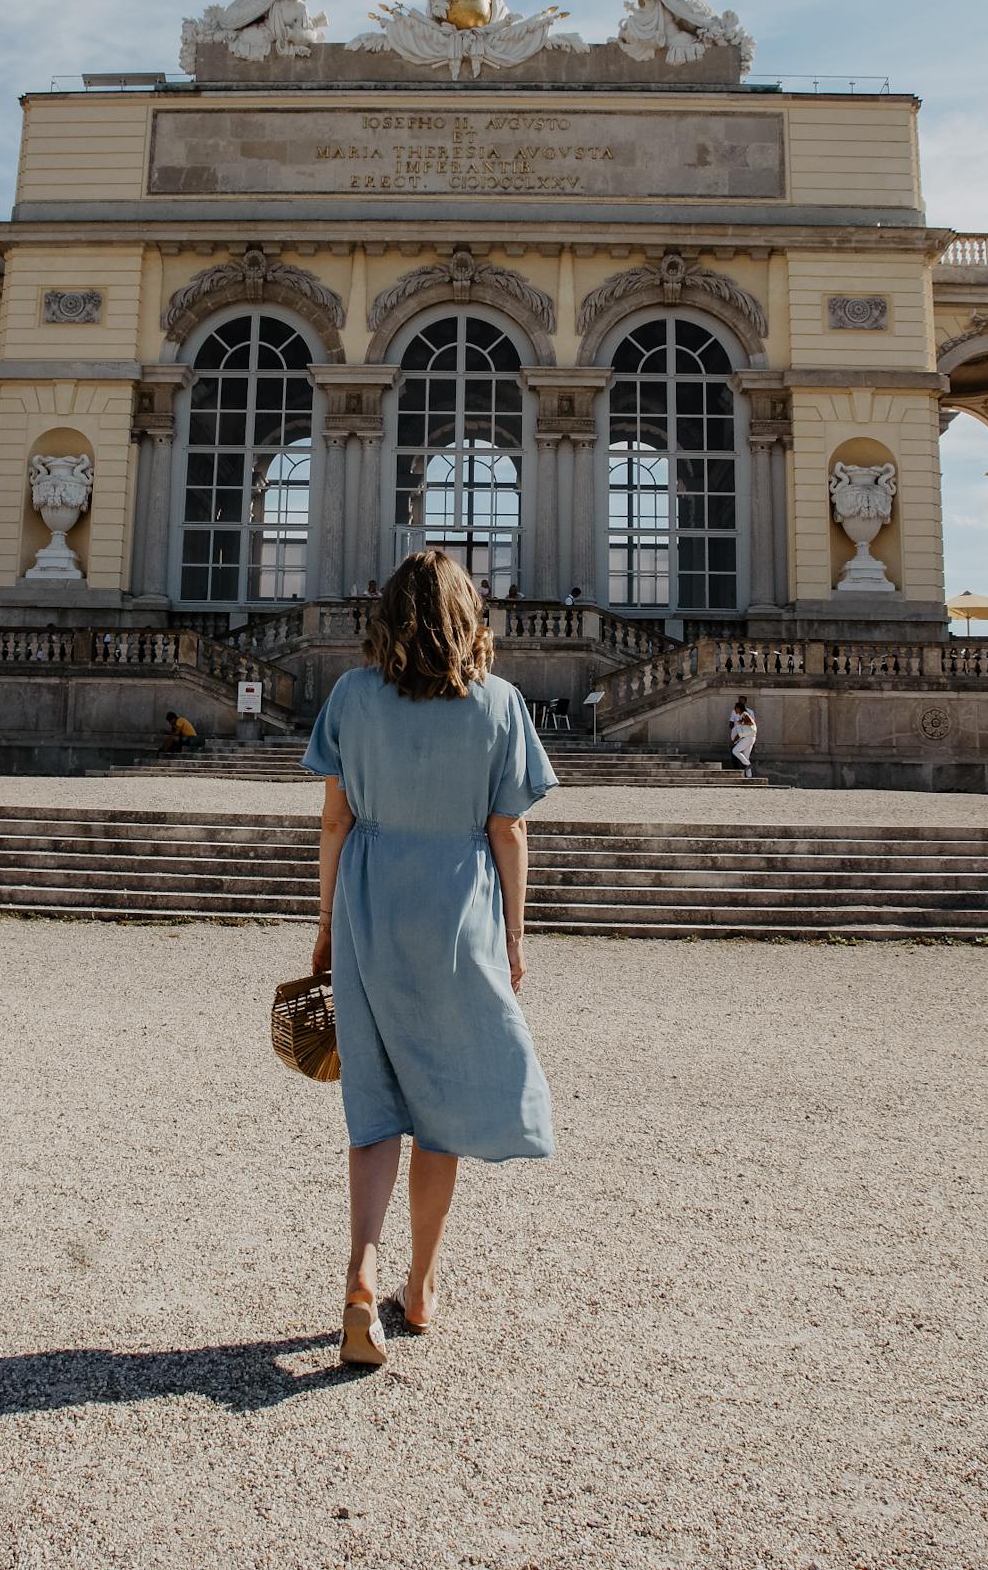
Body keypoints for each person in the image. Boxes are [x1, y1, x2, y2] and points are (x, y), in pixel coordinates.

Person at [301, 549, 557, 1368]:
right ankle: (421, 1285)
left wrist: (324, 927)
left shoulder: (350, 696)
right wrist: (514, 934)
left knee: (373, 1106)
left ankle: (358, 1279)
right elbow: (508, 829)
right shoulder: (500, 703)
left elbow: (334, 823)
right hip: (459, 911)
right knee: (438, 1103)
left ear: (389, 614)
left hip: (370, 903)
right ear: (466, 613)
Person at [730, 697, 757, 778]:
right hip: (749, 737)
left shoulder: (745, 714)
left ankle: (748, 764)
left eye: (736, 708)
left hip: (748, 737)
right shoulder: (742, 715)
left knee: (735, 751)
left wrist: (742, 723)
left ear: (738, 708)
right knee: (746, 756)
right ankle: (749, 776)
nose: (735, 710)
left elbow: (751, 723)